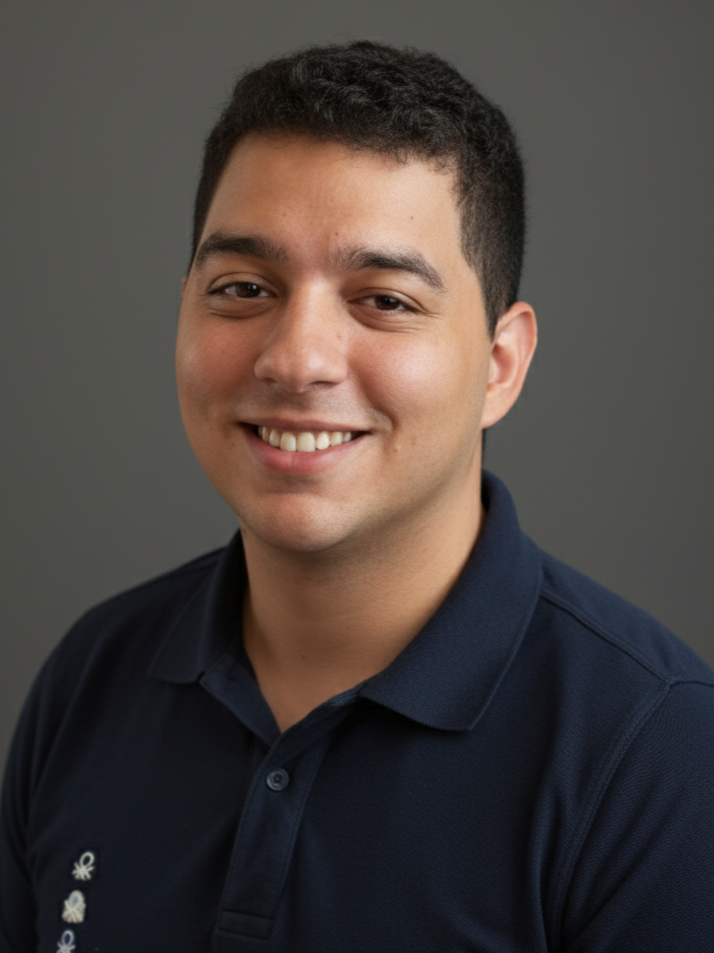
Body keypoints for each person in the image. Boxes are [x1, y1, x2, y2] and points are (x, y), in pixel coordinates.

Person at [1, 40, 712, 953]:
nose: (296, 358)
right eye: (244, 288)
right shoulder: (90, 679)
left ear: (501, 365)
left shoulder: (660, 759)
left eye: (384, 300)